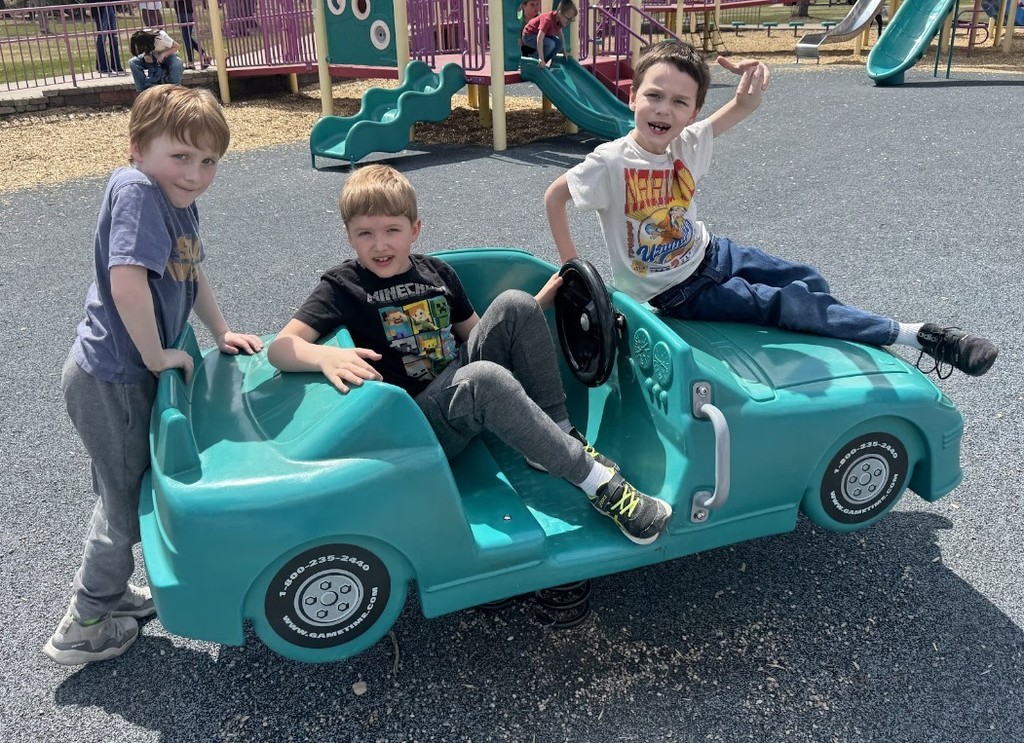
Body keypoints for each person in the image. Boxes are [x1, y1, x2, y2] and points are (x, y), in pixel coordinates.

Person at [267, 164, 672, 546]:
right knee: (483, 379)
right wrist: (325, 358)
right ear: (349, 236)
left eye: (392, 230)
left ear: (415, 229)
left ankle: (558, 432)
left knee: (515, 304)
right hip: (415, 426)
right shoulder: (343, 286)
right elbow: (280, 348)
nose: (380, 244)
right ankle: (598, 483)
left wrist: (534, 308)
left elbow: (480, 335)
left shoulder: (438, 274)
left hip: (458, 391)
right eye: (365, 234)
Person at [544, 40, 998, 379]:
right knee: (789, 302)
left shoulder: (689, 142)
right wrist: (573, 270)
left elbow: (743, 105)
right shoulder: (610, 162)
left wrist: (754, 79)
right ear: (633, 97)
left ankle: (844, 330)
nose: (664, 109)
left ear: (693, 111)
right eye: (654, 96)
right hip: (676, 293)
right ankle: (918, 334)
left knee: (808, 278)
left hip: (712, 253)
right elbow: (555, 197)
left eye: (679, 102)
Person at [42, 85, 264, 666]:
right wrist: (155, 355)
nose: (195, 173)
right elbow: (127, 282)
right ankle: (85, 622)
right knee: (122, 504)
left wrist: (221, 331)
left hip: (118, 372)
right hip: (114, 376)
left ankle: (110, 592)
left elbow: (191, 272)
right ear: (137, 148)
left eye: (209, 161)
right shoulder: (138, 189)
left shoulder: (175, 199)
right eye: (181, 156)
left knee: (119, 486)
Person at [521, 0, 577, 68]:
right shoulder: (548, 20)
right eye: (568, 19)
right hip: (528, 36)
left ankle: (545, 62)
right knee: (550, 44)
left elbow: (560, 35)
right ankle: (534, 60)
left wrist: (564, 51)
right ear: (560, 12)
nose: (568, 22)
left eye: (571, 20)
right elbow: (539, 38)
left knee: (559, 44)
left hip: (539, 35)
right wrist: (541, 58)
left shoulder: (559, 21)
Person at [173, 0, 211, 69]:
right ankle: (204, 55)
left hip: (184, 12)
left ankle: (191, 61)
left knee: (187, 38)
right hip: (187, 11)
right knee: (187, 38)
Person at [90, 3, 125, 75]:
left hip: (110, 6)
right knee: (102, 37)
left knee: (114, 37)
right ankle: (102, 66)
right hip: (100, 7)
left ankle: (116, 65)